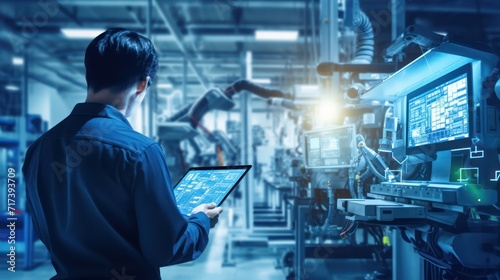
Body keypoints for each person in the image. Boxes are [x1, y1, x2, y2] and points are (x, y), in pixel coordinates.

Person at [22, 28, 222, 280]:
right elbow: (165, 248)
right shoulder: (141, 151)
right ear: (142, 84)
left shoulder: (39, 149)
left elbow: (45, 228)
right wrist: (200, 221)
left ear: (89, 74)